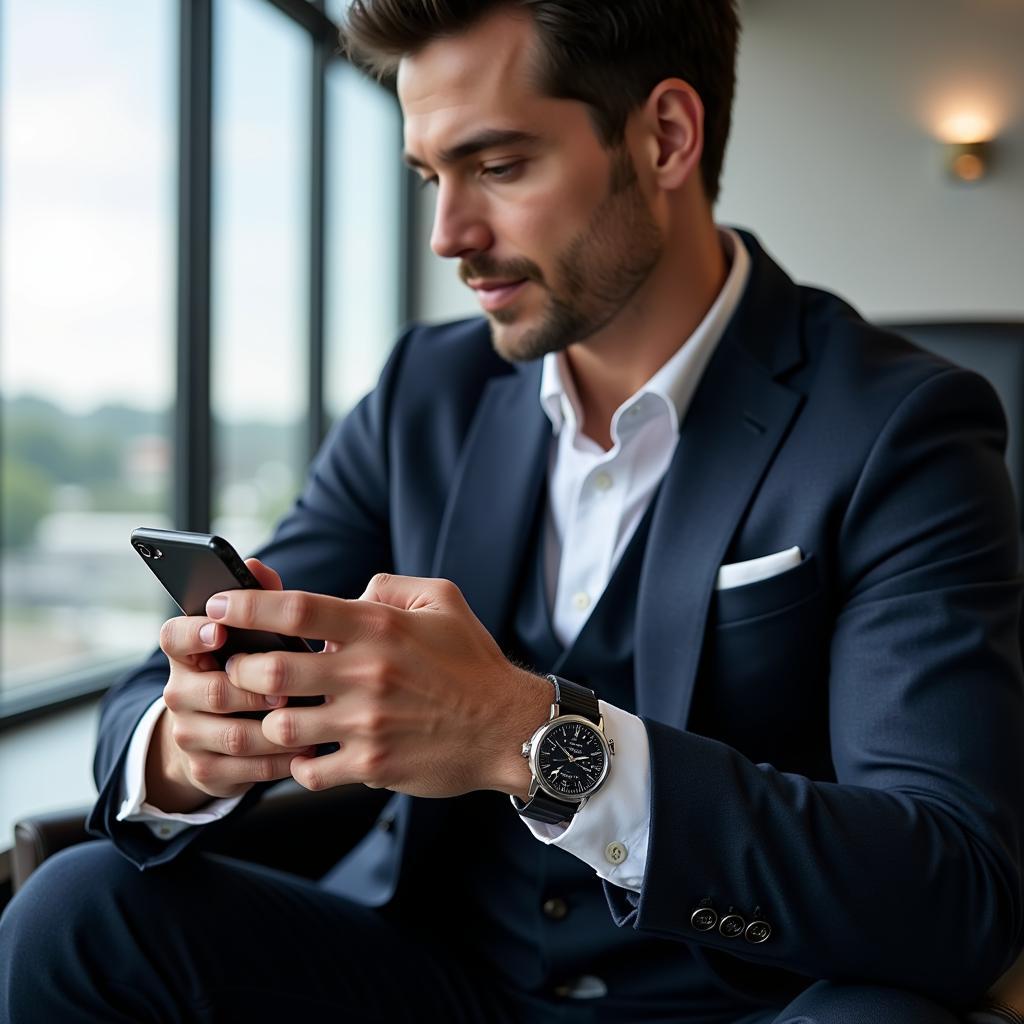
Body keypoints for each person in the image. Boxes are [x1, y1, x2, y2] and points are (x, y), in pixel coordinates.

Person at [2, 2, 1022, 1021]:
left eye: (496, 166)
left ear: (665, 136)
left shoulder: (897, 424)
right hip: (435, 977)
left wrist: (526, 734)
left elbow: (956, 882)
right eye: (428, 176)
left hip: (735, 1001)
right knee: (72, 910)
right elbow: (162, 690)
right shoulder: (424, 391)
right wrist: (190, 744)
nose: (450, 235)